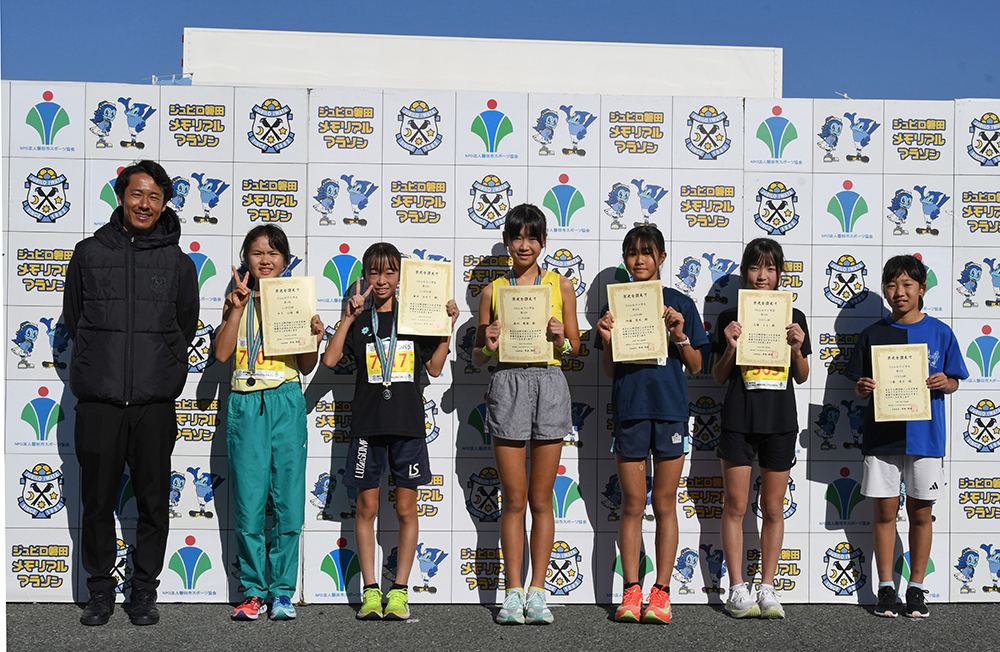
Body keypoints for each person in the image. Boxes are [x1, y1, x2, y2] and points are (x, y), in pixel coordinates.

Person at [64, 160, 200, 626]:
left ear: (165, 204)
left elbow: (185, 326)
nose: (145, 204)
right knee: (97, 501)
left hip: (153, 403)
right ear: (121, 196)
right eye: (137, 194)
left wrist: (160, 369)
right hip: (100, 401)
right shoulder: (88, 253)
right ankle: (99, 590)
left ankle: (144, 589)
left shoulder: (179, 263)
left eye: (154, 197)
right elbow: (75, 318)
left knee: (153, 503)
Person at [322, 242, 458, 621]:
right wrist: (348, 317)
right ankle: (370, 591)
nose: (381, 280)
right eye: (374, 272)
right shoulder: (359, 318)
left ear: (401, 276)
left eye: (389, 272)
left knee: (405, 508)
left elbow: (434, 369)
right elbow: (330, 359)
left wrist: (447, 328)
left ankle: (398, 590)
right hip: (368, 426)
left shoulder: (415, 316)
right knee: (366, 508)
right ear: (364, 275)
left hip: (407, 426)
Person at [472, 203, 580, 625]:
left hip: (549, 383)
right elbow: (478, 357)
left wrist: (561, 338)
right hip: (508, 383)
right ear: (506, 241)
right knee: (514, 499)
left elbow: (574, 348)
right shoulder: (492, 291)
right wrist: (488, 344)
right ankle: (512, 592)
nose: (524, 245)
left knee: (541, 499)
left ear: (544, 242)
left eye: (532, 237)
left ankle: (538, 591)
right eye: (517, 237)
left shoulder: (561, 285)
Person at [596, 225, 708, 624]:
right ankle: (631, 589)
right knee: (632, 503)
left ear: (661, 256)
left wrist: (679, 335)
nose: (639, 260)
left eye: (647, 252)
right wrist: (607, 340)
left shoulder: (680, 303)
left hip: (670, 411)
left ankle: (661, 591)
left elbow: (697, 365)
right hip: (630, 410)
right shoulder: (615, 303)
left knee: (663, 503)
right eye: (632, 253)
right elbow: (610, 370)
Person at [845, 255, 968, 618]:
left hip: (925, 437)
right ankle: (885, 588)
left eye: (907, 285)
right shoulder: (872, 334)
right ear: (885, 290)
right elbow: (858, 387)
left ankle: (916, 588)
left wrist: (947, 382)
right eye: (891, 285)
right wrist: (862, 389)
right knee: (884, 513)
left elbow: (955, 380)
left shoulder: (941, 332)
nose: (898, 292)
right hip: (882, 437)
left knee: (921, 514)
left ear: (922, 289)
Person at [214, 225, 324, 621]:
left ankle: (282, 592)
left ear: (285, 261)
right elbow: (222, 354)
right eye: (257, 252)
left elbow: (307, 366)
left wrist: (315, 338)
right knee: (249, 503)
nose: (265, 260)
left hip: (286, 399)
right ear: (246, 258)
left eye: (273, 253)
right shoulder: (235, 300)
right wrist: (237, 308)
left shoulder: (297, 299)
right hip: (246, 402)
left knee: (289, 502)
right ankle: (252, 592)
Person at [711, 237, 809, 619]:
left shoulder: (794, 316)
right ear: (744, 273)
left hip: (780, 421)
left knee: (772, 507)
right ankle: (737, 587)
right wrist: (730, 346)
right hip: (739, 418)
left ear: (780, 273)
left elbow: (802, 375)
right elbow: (718, 376)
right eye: (755, 267)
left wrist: (797, 348)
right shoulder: (728, 318)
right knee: (735, 505)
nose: (762, 275)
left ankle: (767, 586)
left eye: (770, 268)